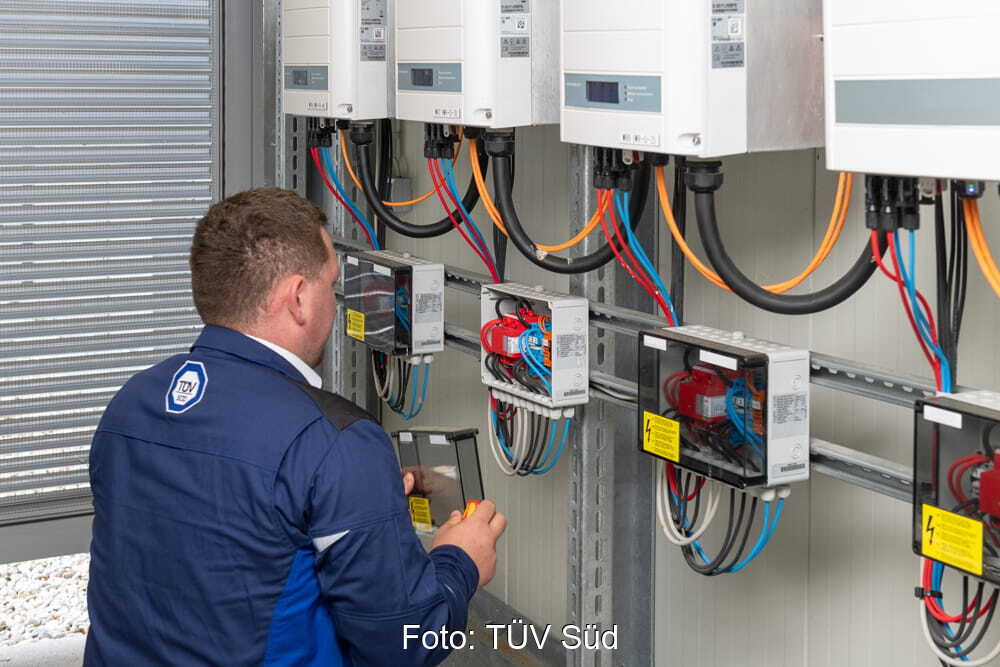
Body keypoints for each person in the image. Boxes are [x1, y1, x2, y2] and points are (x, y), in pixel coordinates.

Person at [84, 187, 506, 666]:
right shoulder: (333, 441)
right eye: (331, 284)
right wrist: (459, 561)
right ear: (300, 297)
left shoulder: (132, 402)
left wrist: (362, 506)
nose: (335, 303)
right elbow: (403, 644)